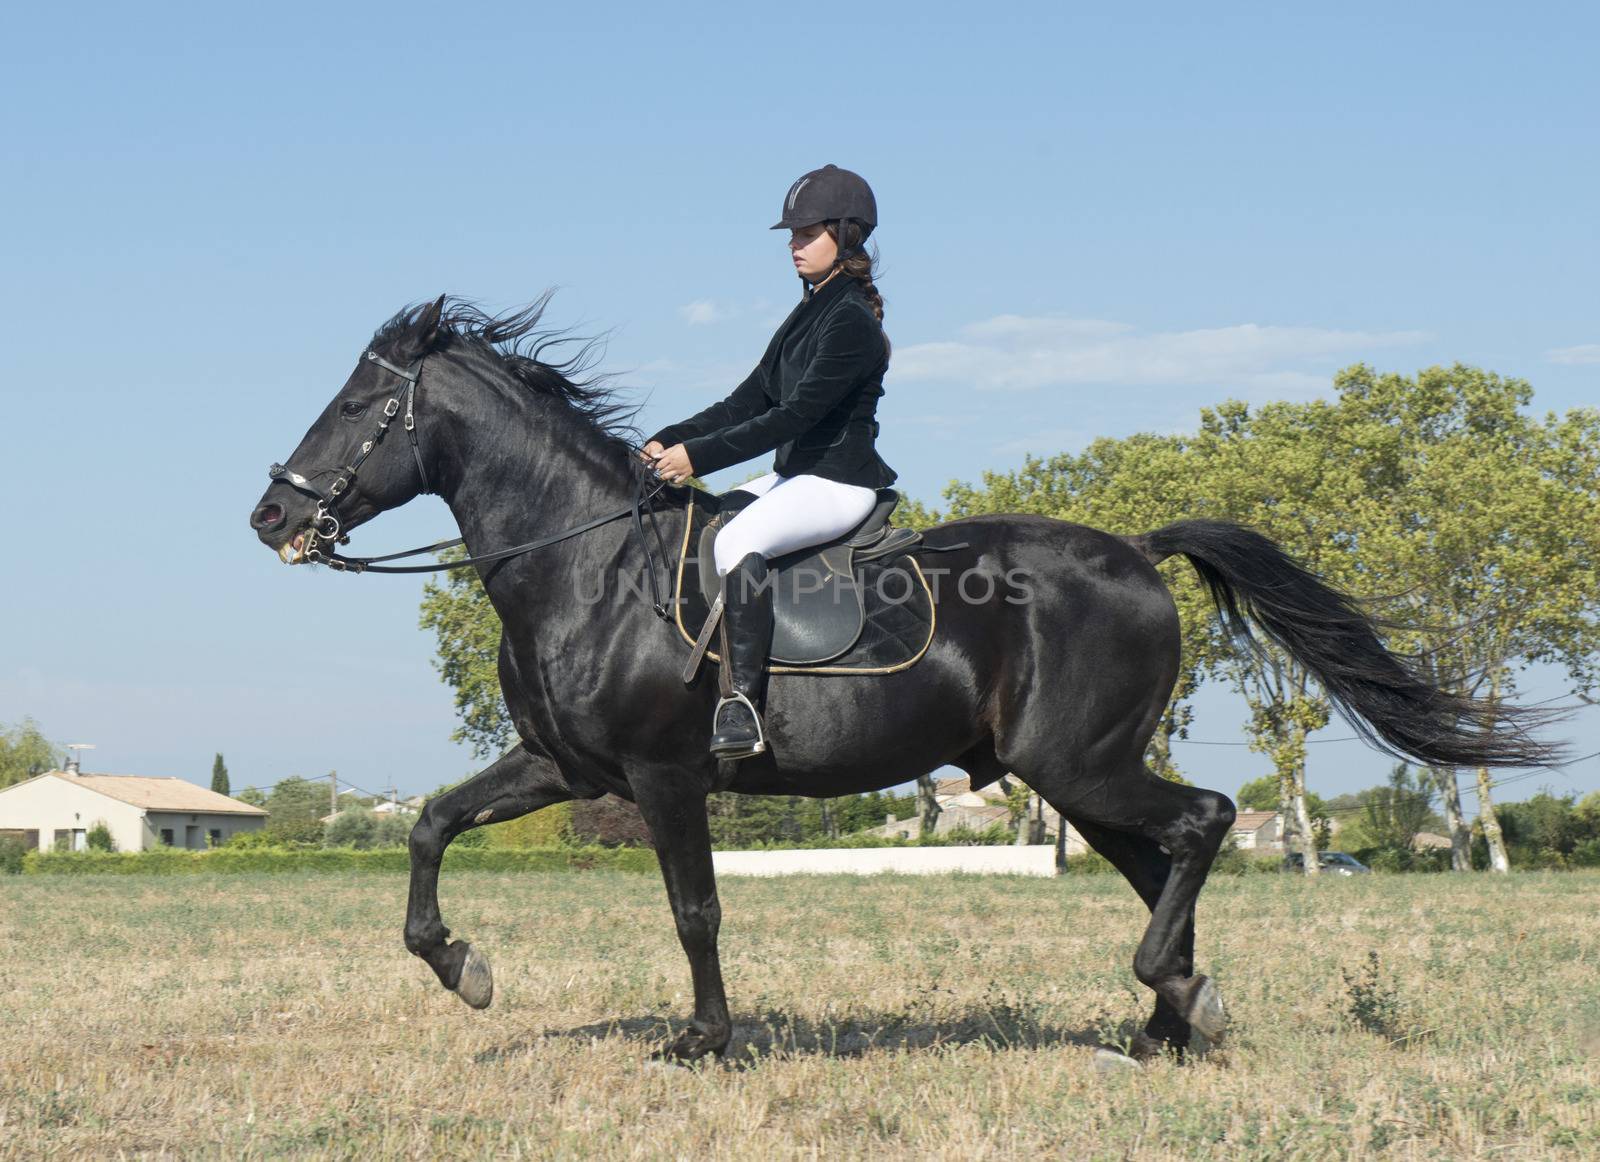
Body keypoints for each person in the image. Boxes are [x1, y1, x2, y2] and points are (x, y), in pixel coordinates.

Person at [641, 164, 898, 760]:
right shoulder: (808, 310)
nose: (794, 245)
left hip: (837, 482)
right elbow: (748, 400)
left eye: (807, 233)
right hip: (796, 476)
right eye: (792, 235)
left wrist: (696, 457)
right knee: (707, 521)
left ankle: (743, 704)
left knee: (736, 543)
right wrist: (667, 438)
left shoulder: (851, 322)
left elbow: (792, 418)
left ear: (847, 236)